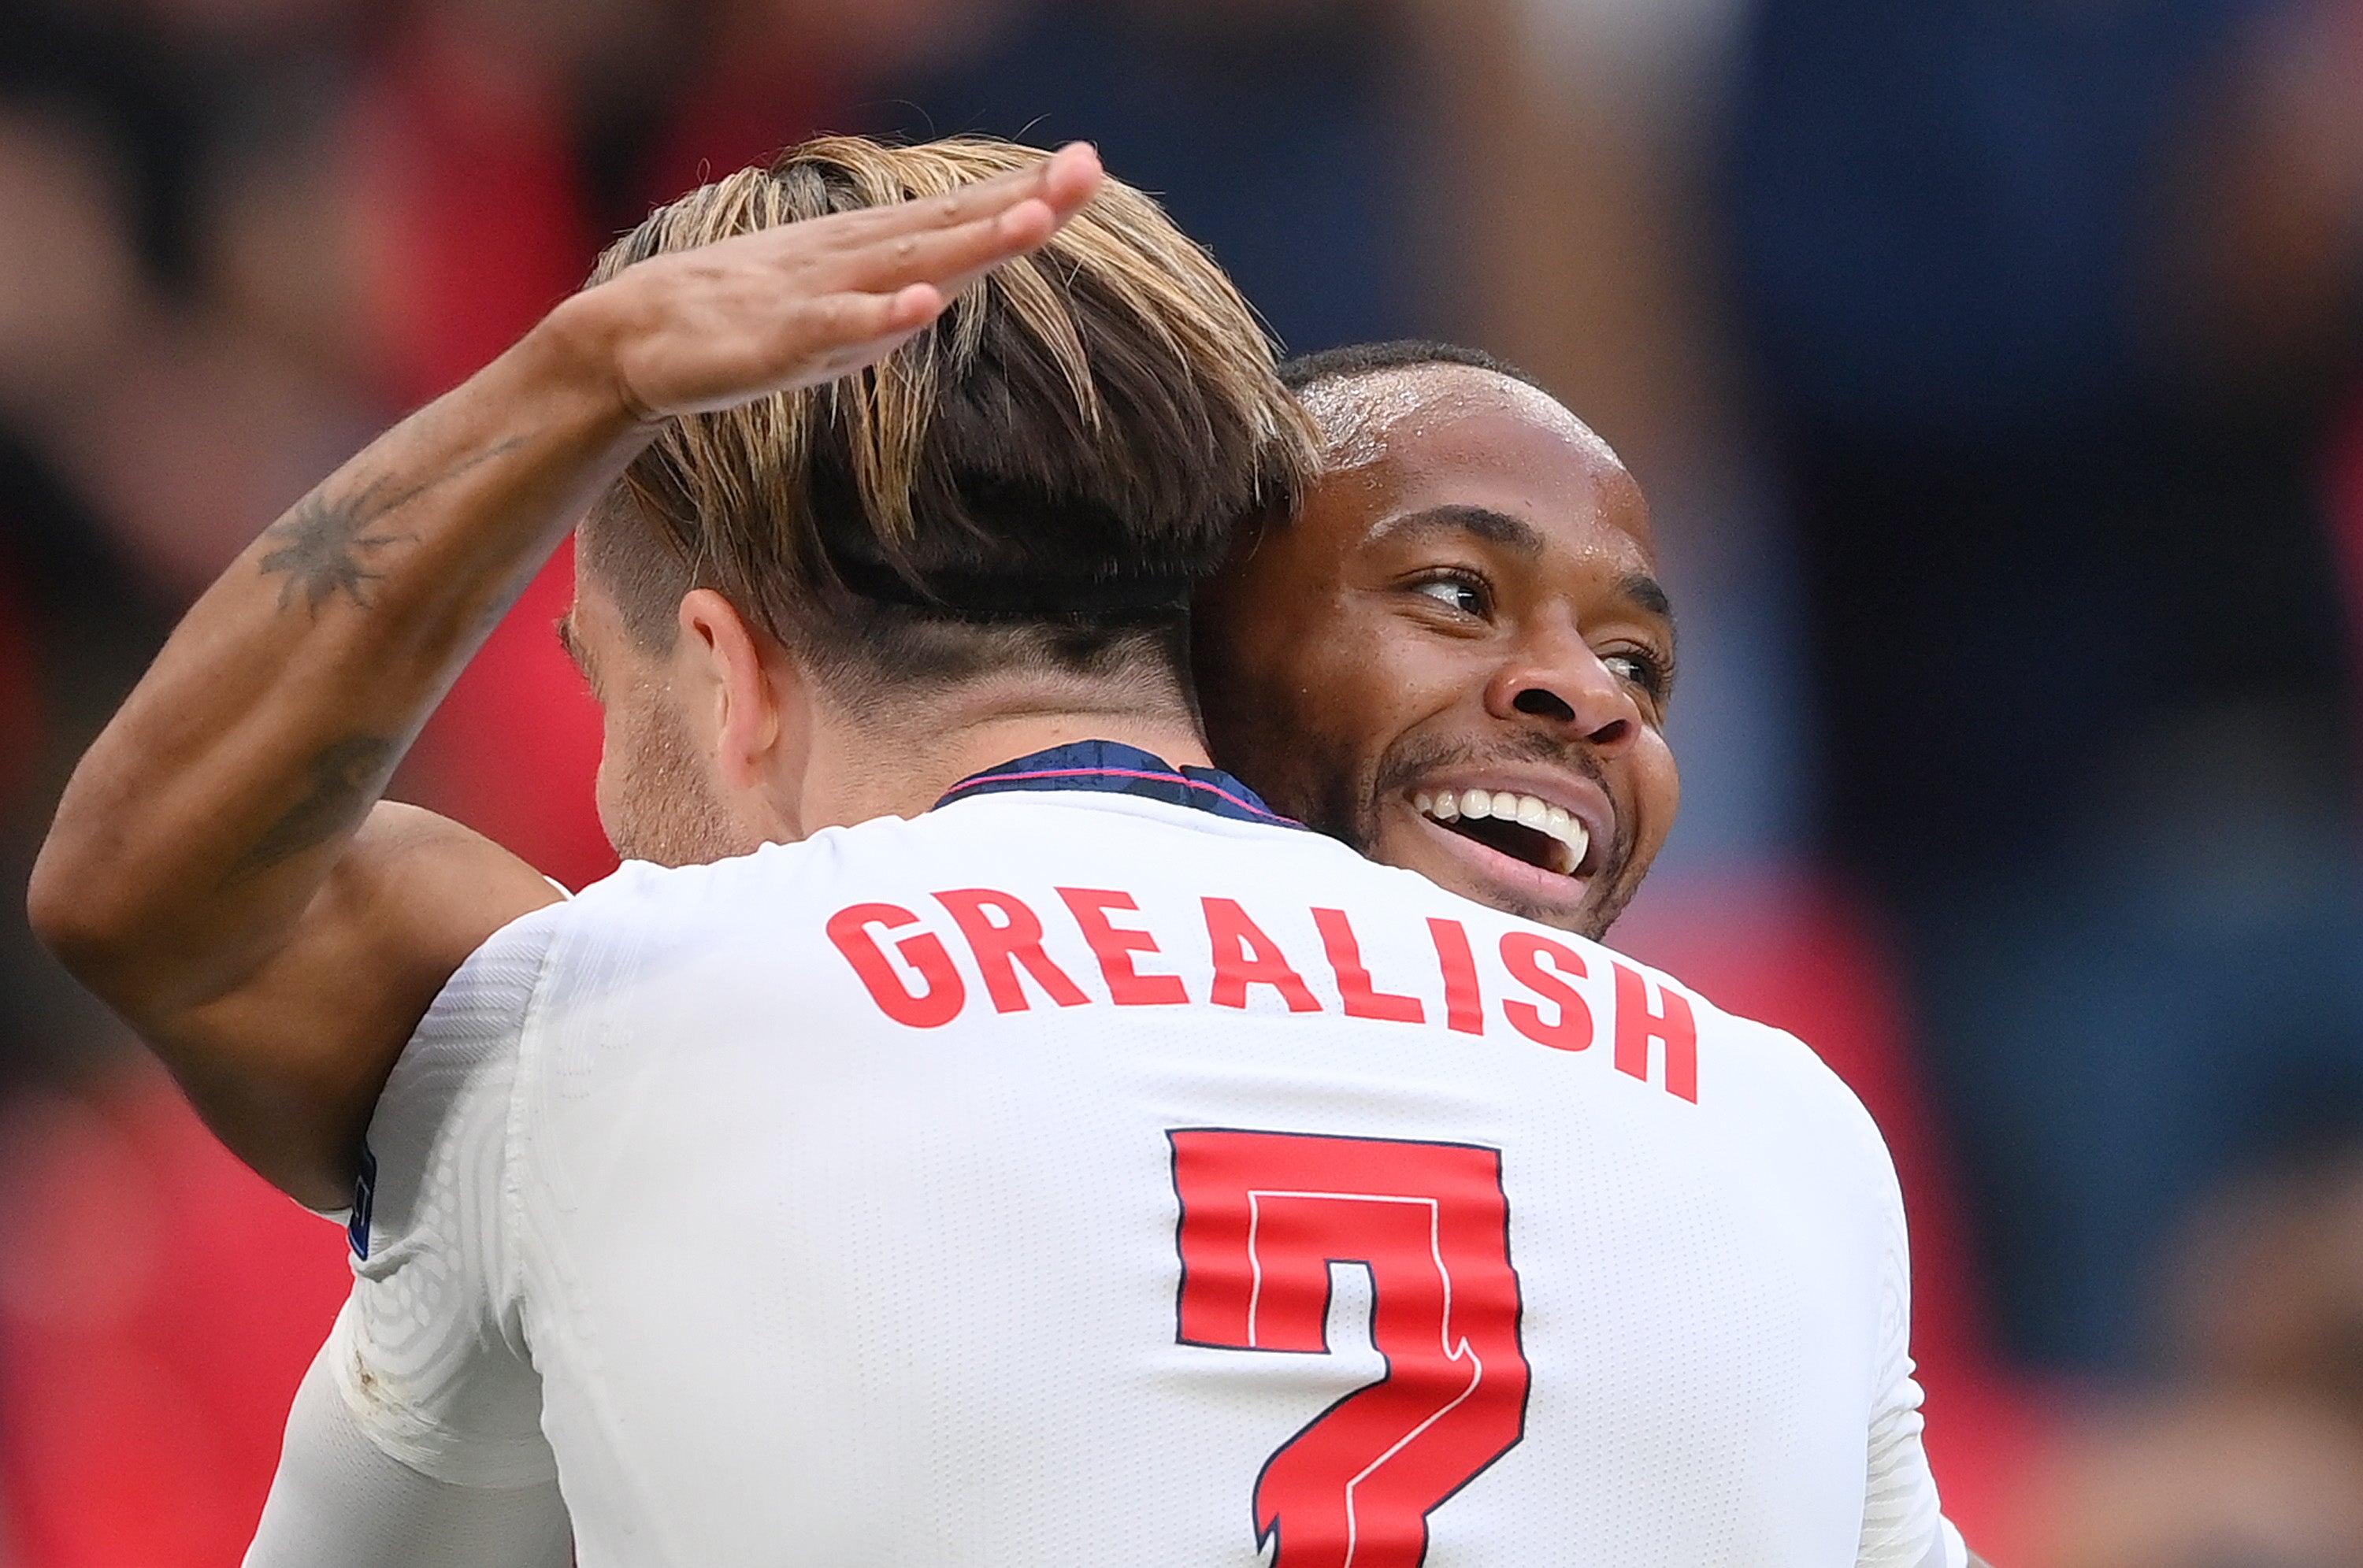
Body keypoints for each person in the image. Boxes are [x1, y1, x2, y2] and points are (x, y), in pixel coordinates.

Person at [32, 136, 1968, 1565]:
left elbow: (143, 889)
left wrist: (573, 382)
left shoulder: (602, 1031)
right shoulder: (1774, 1118)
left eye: (599, 692)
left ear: (722, 675)